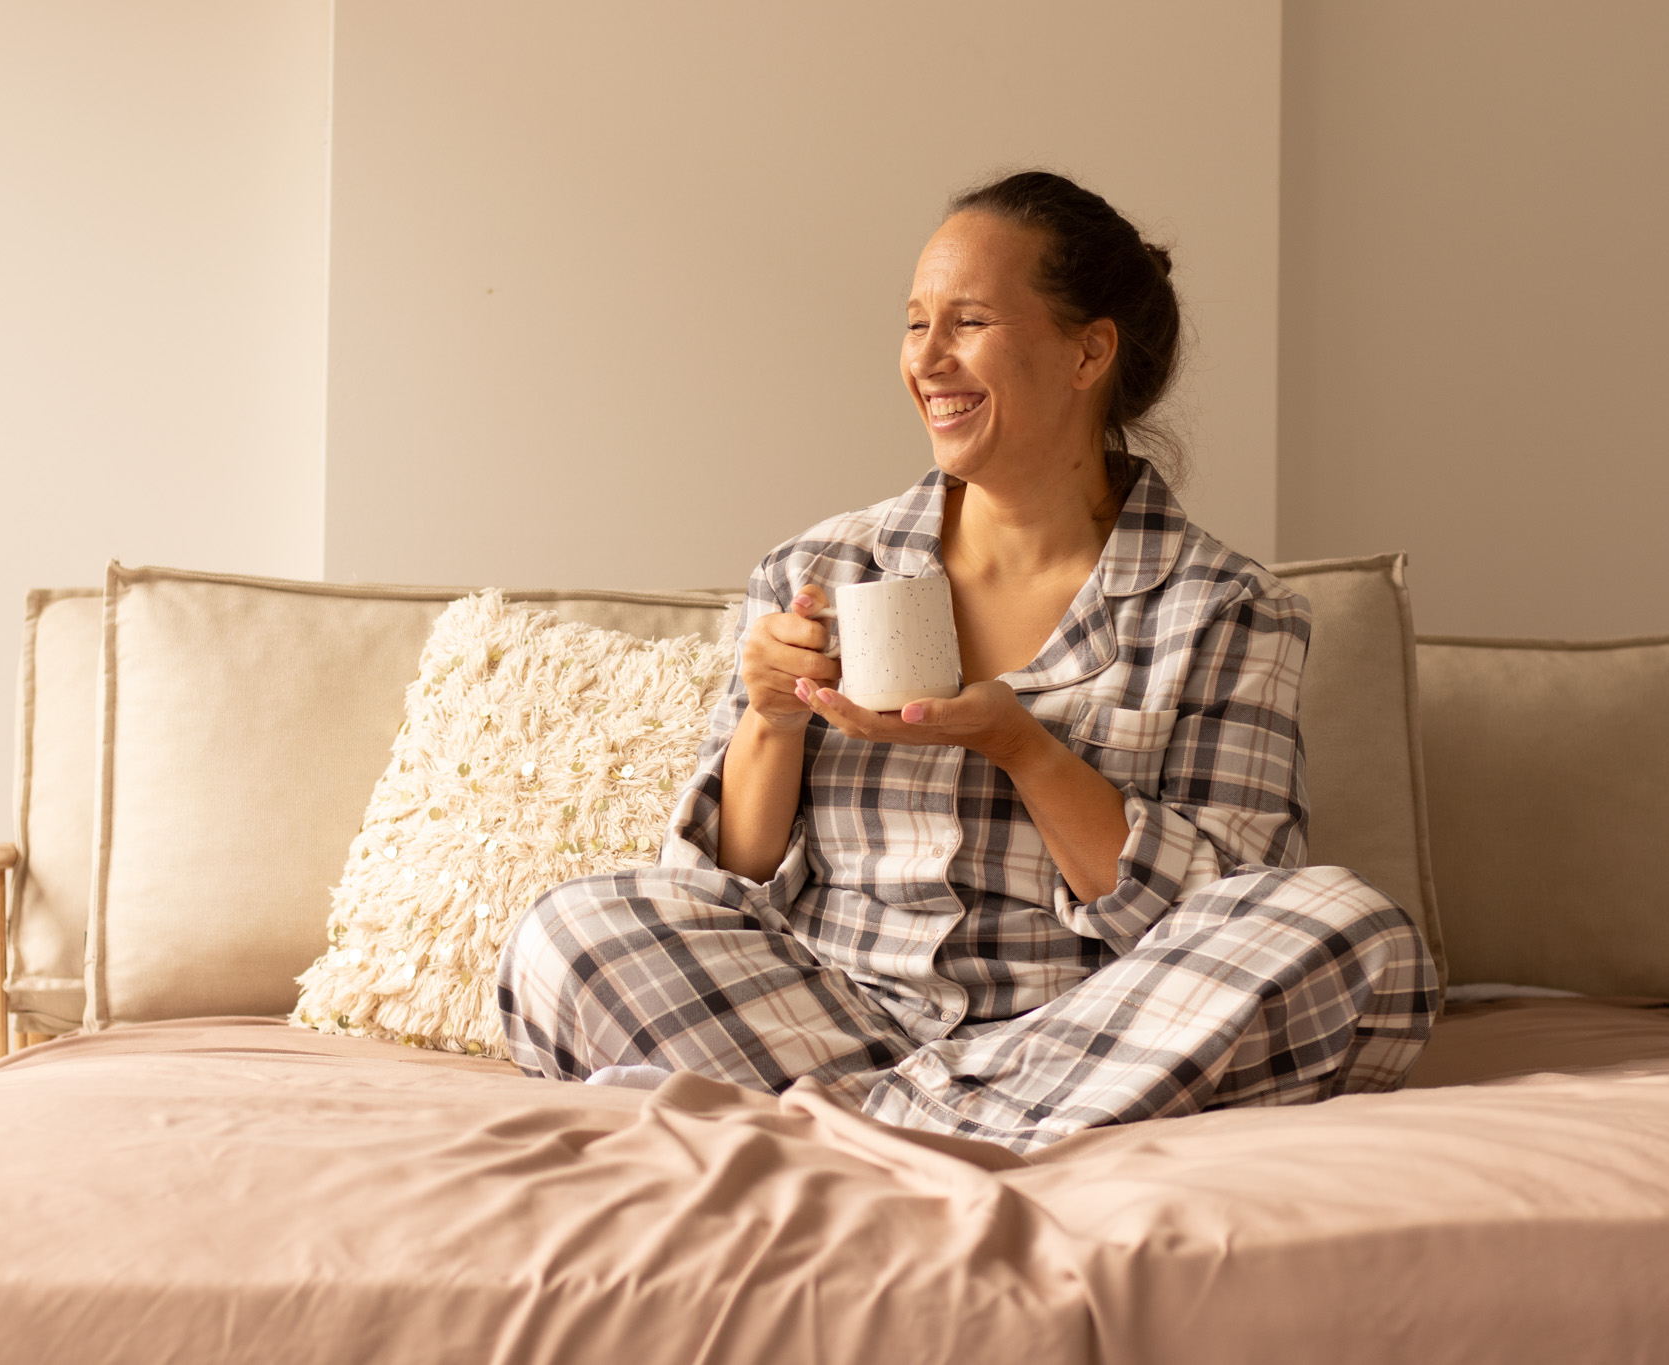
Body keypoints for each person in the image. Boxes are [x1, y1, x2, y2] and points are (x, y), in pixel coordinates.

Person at [498, 170, 1436, 1152]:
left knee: (1346, 931)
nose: (926, 358)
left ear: (1088, 351)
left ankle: (860, 1134)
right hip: (826, 1011)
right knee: (568, 933)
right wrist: (771, 718)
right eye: (915, 325)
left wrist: (1024, 748)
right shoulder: (819, 569)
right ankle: (964, 1133)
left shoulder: (1225, 610)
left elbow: (1215, 912)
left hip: (1081, 1033)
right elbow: (724, 888)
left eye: (968, 322)